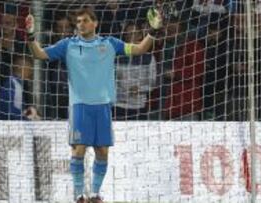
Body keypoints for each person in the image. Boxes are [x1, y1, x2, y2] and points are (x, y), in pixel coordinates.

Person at [25, 6, 162, 203]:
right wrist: (31, 36)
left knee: (102, 152)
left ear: (95, 23)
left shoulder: (110, 44)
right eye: (78, 21)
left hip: (103, 106)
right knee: (79, 149)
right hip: (80, 106)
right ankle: (80, 195)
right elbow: (39, 54)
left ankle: (95, 194)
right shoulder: (67, 45)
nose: (81, 24)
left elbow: (139, 49)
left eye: (85, 20)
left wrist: (153, 31)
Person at [114, 22, 157, 120]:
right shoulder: (116, 57)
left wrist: (140, 89)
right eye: (128, 34)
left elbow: (153, 83)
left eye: (133, 33)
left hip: (138, 106)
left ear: (140, 36)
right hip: (118, 105)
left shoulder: (149, 58)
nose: (130, 37)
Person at [0, 55, 40, 120]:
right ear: (21, 67)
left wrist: (27, 112)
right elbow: (7, 109)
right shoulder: (11, 83)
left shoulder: (18, 83)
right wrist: (26, 116)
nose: (31, 71)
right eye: (30, 67)